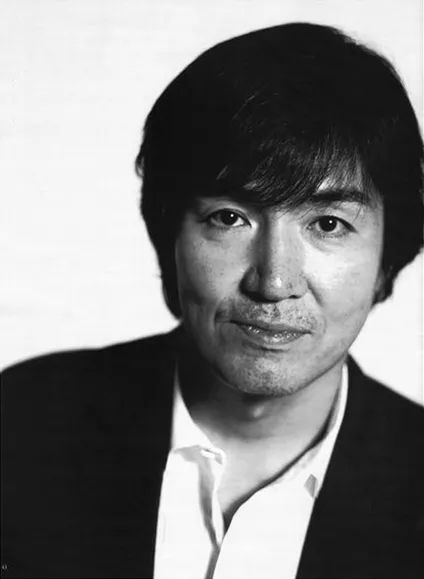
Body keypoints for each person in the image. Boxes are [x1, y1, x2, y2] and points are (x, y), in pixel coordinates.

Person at [1, 22, 423, 579]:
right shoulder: (21, 425)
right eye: (229, 218)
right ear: (168, 234)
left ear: (387, 256)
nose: (274, 281)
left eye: (328, 223)